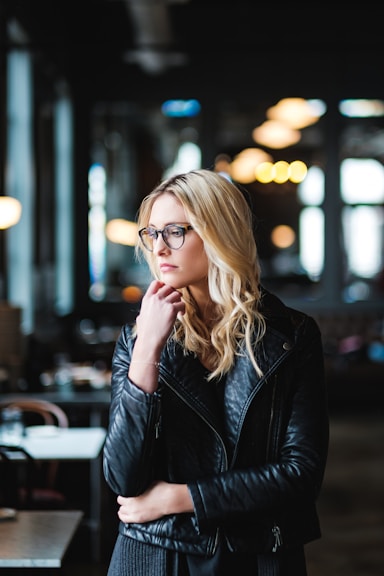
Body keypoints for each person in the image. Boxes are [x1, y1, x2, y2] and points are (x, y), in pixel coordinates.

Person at [103, 168, 329, 576]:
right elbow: (123, 478)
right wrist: (147, 349)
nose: (159, 248)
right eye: (152, 234)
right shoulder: (138, 337)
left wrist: (180, 497)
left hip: (259, 554)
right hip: (157, 554)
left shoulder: (290, 336)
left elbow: (301, 475)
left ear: (218, 232)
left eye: (174, 231)